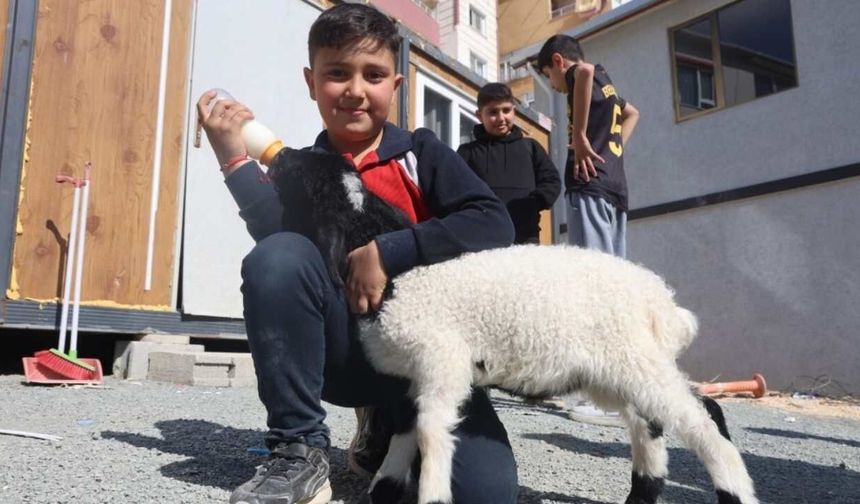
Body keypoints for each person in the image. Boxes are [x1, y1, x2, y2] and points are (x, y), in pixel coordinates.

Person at [197, 4, 519, 504]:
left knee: (485, 494)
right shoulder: (304, 167)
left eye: (373, 75)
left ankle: (388, 422)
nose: (355, 90)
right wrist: (232, 158)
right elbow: (276, 248)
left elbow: (492, 221)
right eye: (336, 73)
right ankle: (298, 451)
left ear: (397, 83)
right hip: (346, 354)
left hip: (431, 364)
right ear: (310, 81)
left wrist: (389, 251)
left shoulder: (421, 153)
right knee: (279, 256)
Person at [536, 34, 640, 425]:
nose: (553, 84)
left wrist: (580, 137)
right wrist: (612, 149)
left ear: (558, 61)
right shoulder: (609, 87)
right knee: (613, 286)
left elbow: (582, 72)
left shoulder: (584, 73)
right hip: (614, 189)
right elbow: (634, 113)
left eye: (550, 75)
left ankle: (603, 397)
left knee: (593, 287)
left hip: (591, 188)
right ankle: (617, 389)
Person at [457, 83, 561, 244]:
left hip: (527, 237)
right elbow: (455, 189)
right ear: (479, 115)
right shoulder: (467, 152)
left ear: (514, 111)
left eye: (506, 110)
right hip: (482, 238)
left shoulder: (531, 147)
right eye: (492, 112)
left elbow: (552, 181)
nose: (501, 118)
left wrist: (534, 203)